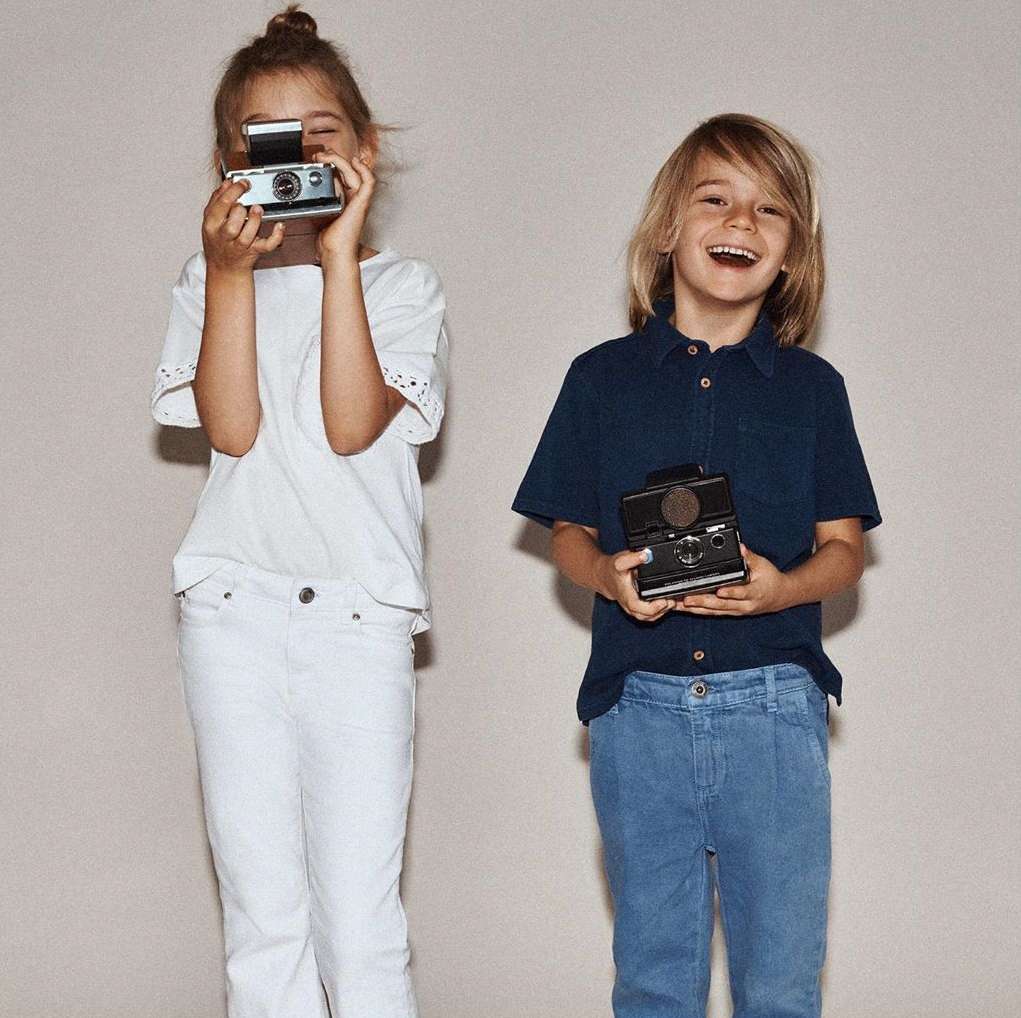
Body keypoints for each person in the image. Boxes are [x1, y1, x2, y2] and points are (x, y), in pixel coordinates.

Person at [512, 113, 880, 1018]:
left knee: (781, 977)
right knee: (653, 972)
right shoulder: (599, 378)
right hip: (636, 708)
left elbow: (845, 551)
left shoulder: (813, 390)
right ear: (666, 228)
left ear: (792, 255)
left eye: (769, 210)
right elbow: (565, 533)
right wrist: (605, 576)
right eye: (715, 199)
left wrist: (781, 588)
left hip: (775, 705)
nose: (740, 221)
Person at [151, 7, 447, 1016]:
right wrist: (229, 273)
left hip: (358, 616)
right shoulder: (206, 282)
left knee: (361, 920)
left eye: (319, 136)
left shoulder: (402, 287)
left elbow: (351, 422)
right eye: (267, 142)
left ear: (365, 152)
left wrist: (339, 257)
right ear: (230, 166)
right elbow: (232, 430)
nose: (298, 160)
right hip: (231, 609)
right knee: (262, 916)